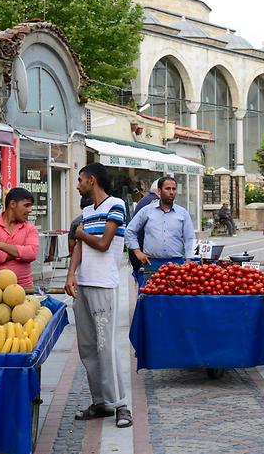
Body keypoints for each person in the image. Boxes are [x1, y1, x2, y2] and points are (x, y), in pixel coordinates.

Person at [65, 163, 132, 428]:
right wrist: (71, 274)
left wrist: (80, 232)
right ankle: (100, 401)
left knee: (106, 347)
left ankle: (121, 405)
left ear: (92, 180)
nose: (77, 184)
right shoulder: (86, 210)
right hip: (84, 284)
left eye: (80, 179)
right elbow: (80, 247)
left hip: (104, 284)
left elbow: (104, 244)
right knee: (88, 348)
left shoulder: (116, 205)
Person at [125, 176, 195, 270]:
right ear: (159, 191)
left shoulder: (183, 213)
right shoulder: (147, 211)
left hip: (176, 264)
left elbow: (189, 238)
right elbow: (130, 231)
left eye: (174, 189)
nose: (171, 192)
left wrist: (188, 260)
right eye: (167, 189)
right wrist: (138, 252)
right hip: (152, 263)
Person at [0, 187, 39, 288]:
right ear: (12, 204)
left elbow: (32, 253)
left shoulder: (30, 228)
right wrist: (19, 253)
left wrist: (1, 245)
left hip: (24, 289)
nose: (30, 210)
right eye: (26, 205)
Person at [127, 180, 159, 284]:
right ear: (160, 190)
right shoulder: (155, 203)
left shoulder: (144, 200)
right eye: (168, 189)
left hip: (137, 258)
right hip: (146, 260)